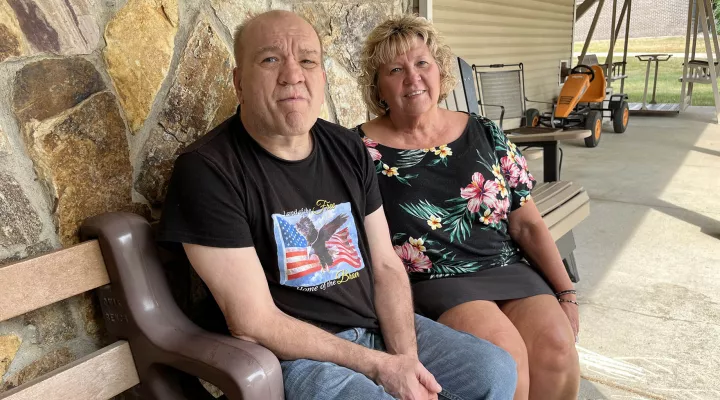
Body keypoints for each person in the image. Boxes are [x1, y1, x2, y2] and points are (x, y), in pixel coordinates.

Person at [157, 10, 517, 400]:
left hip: (374, 325)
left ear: (322, 76)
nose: (293, 74)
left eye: (307, 60)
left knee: (494, 372)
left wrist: (406, 361)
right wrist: (379, 366)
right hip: (295, 356)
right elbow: (254, 322)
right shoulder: (209, 169)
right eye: (270, 59)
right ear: (239, 81)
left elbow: (384, 264)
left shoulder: (347, 148)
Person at [354, 16, 580, 400]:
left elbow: (526, 223)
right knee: (506, 357)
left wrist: (567, 293)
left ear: (440, 69)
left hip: (506, 266)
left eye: (422, 63)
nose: (413, 77)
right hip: (437, 280)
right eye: (395, 69)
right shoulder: (359, 150)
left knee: (558, 346)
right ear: (379, 88)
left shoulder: (484, 131)